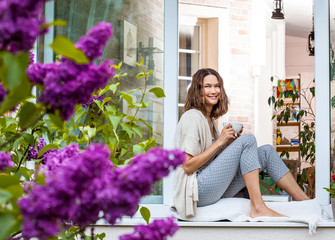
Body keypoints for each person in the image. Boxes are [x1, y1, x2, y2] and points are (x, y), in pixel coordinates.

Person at [173, 68, 309, 219]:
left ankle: (307, 204)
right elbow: (187, 166)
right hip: (196, 190)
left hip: (211, 187)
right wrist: (220, 142)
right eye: (207, 86)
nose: (214, 90)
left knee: (266, 152)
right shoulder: (192, 117)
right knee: (248, 140)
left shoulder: (210, 121)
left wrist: (227, 144)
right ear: (198, 90)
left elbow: (212, 161)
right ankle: (258, 207)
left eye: (217, 86)